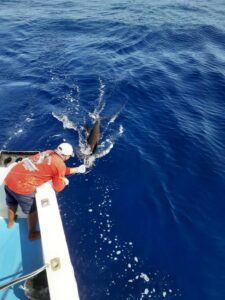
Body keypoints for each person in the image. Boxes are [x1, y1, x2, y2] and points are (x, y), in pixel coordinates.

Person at [4, 142, 86, 240]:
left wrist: (76, 169)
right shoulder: (59, 164)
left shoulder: (49, 152)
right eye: (69, 156)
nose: (69, 158)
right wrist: (65, 182)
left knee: (12, 203)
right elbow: (57, 187)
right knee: (32, 210)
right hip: (22, 187)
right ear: (65, 155)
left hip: (10, 178)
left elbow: (57, 169)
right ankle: (32, 234)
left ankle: (10, 223)